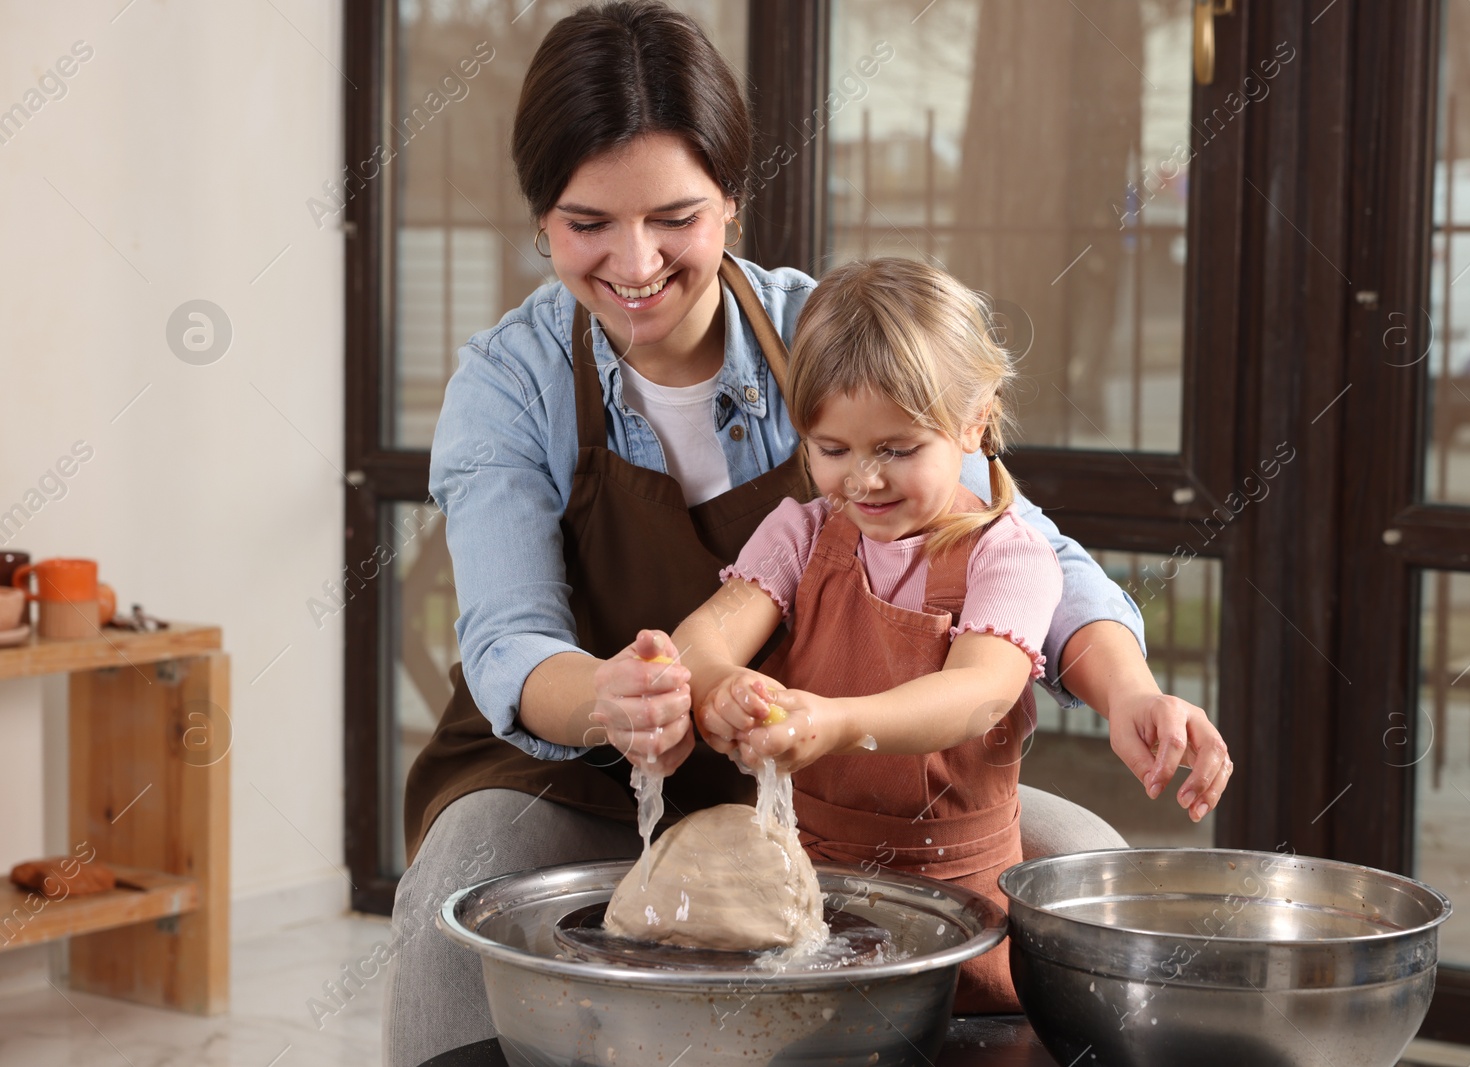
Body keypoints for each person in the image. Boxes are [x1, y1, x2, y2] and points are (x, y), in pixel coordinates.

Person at [386, 2, 1231, 1063]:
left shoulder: (822, 332)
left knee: (1080, 860)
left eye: (676, 216)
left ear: (733, 200)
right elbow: (511, 635)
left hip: (801, 766)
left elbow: (1031, 556)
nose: (635, 262)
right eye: (586, 222)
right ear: (541, 219)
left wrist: (1130, 691)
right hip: (574, 768)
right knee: (461, 870)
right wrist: (615, 696)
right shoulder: (508, 382)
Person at [675, 257, 1085, 1012]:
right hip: (807, 894)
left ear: (974, 420)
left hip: (959, 911)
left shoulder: (1009, 553)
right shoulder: (800, 533)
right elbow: (703, 640)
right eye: (832, 450)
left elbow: (976, 695)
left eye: (896, 449)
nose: (862, 480)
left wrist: (837, 722)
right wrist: (719, 688)